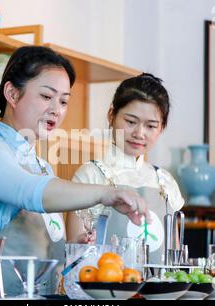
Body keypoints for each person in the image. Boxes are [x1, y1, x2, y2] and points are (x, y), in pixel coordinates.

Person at [0, 46, 150, 297]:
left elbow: (41, 241)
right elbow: (31, 192)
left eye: (64, 100)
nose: (57, 109)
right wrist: (107, 193)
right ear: (12, 93)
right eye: (46, 96)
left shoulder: (41, 165)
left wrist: (73, 248)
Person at [66, 73, 185, 265]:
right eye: (130, 122)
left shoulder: (165, 181)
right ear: (111, 116)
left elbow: (175, 260)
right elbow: (75, 258)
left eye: (151, 126)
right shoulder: (90, 175)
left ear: (161, 128)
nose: (139, 133)